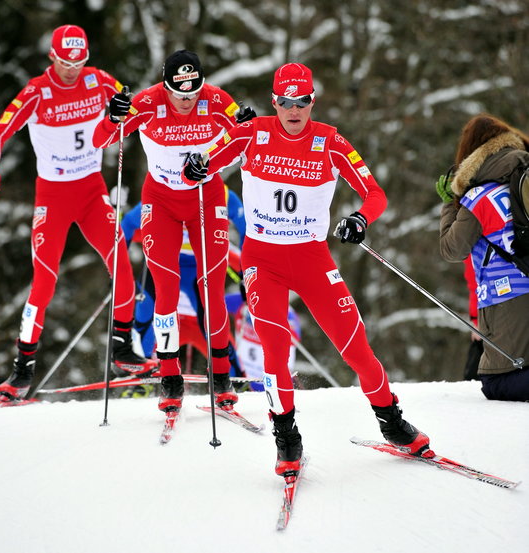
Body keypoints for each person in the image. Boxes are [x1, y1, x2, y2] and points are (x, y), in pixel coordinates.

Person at [181, 62, 430, 476]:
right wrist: (194, 167)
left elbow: (375, 193)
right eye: (285, 102)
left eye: (302, 102)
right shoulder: (251, 133)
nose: (293, 111)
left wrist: (361, 218)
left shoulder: (330, 142)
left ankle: (392, 423)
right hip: (263, 261)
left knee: (357, 348)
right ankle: (287, 439)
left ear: (312, 101)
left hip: (312, 259)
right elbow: (202, 165)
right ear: (273, 102)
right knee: (274, 354)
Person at [0, 24, 151, 400]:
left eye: (79, 62)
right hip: (53, 196)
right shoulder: (37, 91)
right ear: (52, 58)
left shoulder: (98, 80)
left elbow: (135, 105)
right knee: (44, 281)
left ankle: (122, 348)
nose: (72, 70)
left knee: (120, 261)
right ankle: (22, 370)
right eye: (64, 62)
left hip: (91, 191)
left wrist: (124, 108)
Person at [93, 50, 255, 413]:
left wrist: (246, 122)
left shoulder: (215, 99)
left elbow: (245, 140)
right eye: (178, 92)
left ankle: (222, 375)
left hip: (206, 197)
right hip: (161, 201)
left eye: (192, 91)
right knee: (164, 288)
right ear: (165, 85)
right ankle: (169, 376)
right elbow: (101, 142)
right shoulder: (147, 103)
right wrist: (111, 117)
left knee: (212, 286)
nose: (186, 99)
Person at [438, 113, 529, 401]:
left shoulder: (481, 197)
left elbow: (452, 249)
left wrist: (450, 205)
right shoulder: (525, 183)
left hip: (506, 298)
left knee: (497, 381)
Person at [120, 187, 246, 376]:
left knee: (211, 319)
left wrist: (246, 273)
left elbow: (247, 226)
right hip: (166, 262)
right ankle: (142, 371)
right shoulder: (164, 187)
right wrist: (120, 265)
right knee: (146, 309)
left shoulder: (223, 193)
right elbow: (129, 223)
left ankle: (233, 376)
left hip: (199, 266)